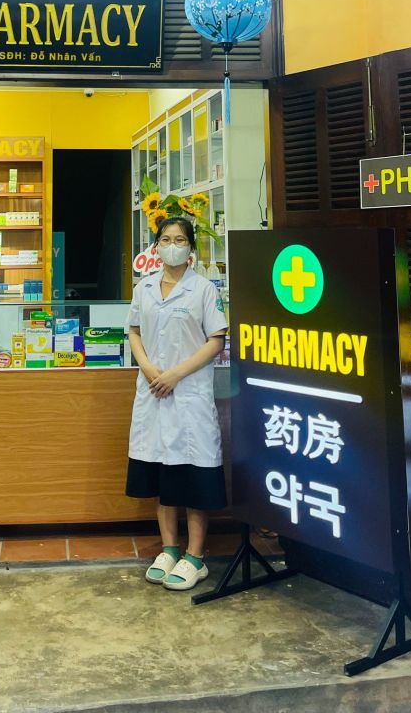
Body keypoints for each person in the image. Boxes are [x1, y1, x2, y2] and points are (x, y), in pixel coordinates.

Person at [125, 215, 228, 592]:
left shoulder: (203, 289)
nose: (172, 246)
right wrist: (149, 367)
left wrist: (175, 374)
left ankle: (195, 557)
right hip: (154, 391)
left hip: (188, 395)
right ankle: (169, 550)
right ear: (156, 247)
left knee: (193, 475)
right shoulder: (145, 287)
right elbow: (134, 331)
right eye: (166, 240)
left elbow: (216, 340)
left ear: (191, 248)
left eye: (180, 240)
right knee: (161, 473)